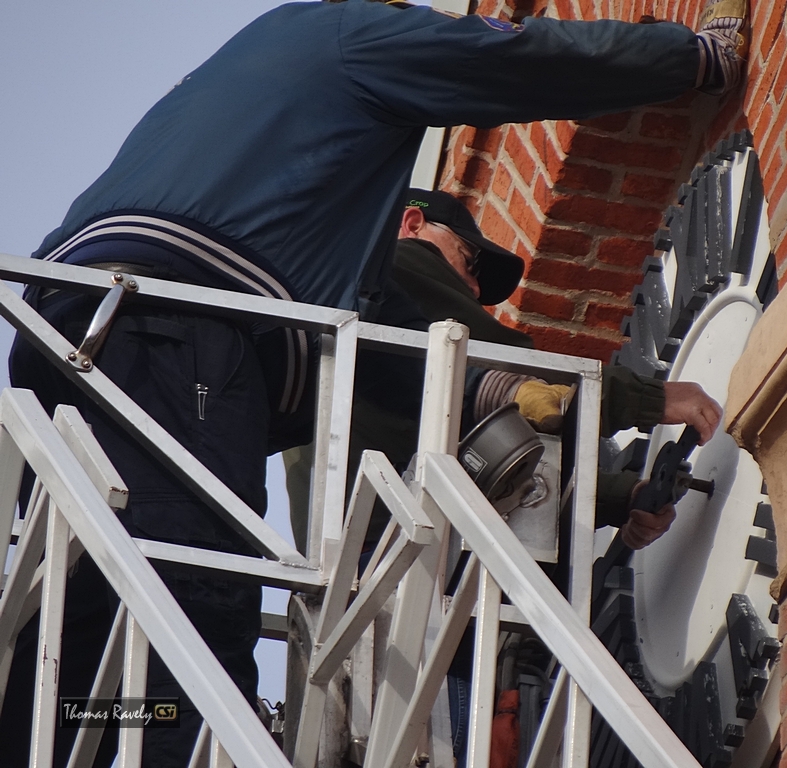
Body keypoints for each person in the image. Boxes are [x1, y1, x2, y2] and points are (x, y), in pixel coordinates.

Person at [3, 0, 747, 764]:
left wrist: (567, 454)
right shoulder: (350, 34)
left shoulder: (277, 162)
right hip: (168, 331)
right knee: (186, 593)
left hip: (74, 335)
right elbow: (522, 58)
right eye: (465, 260)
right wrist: (687, 59)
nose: (467, 281)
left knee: (82, 610)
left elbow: (401, 351)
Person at [284, 188, 724, 553]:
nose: (473, 289)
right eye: (469, 262)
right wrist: (653, 399)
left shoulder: (362, 357)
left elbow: (478, 458)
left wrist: (617, 499)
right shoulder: (397, 264)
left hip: (373, 553)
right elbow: (515, 379)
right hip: (407, 550)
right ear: (413, 224)